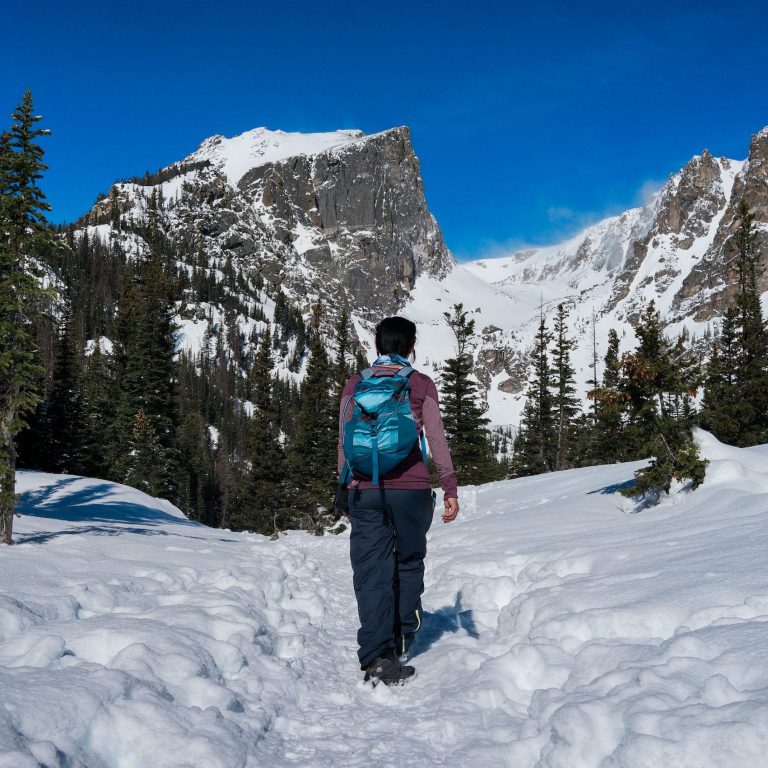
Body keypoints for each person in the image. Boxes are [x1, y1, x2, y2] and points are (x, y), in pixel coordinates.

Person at [337, 316, 460, 686]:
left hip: (365, 489)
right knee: (407, 562)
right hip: (412, 491)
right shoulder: (420, 384)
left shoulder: (356, 383)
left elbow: (344, 439)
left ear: (377, 346)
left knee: (371, 571)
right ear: (411, 347)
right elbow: (436, 439)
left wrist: (343, 485)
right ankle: (404, 633)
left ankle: (377, 655)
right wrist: (450, 487)